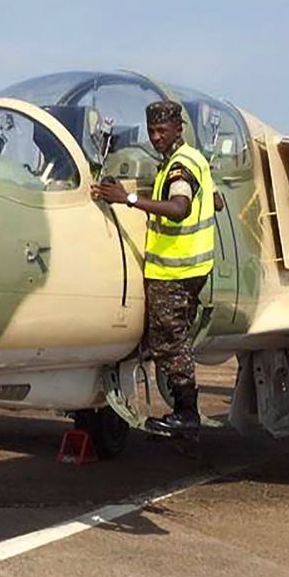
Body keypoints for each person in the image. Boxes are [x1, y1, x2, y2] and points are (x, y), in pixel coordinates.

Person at [91, 100, 216, 438]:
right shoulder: (189, 161)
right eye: (152, 131)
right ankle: (184, 410)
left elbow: (178, 208)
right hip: (187, 267)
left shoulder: (179, 166)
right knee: (171, 339)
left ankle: (186, 413)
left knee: (170, 342)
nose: (156, 137)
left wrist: (127, 200)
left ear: (179, 128)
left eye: (162, 130)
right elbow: (214, 200)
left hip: (175, 272)